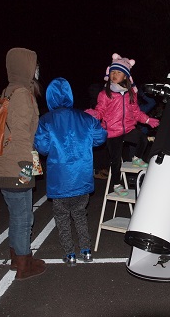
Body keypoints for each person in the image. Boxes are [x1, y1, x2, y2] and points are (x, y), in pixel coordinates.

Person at [34, 77, 107, 265]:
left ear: (50, 97)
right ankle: (86, 250)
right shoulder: (85, 118)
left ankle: (70, 254)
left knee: (62, 217)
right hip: (82, 178)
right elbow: (100, 137)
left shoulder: (46, 120)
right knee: (80, 214)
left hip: (60, 181)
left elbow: (42, 147)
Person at [0, 47, 46, 280]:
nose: (37, 70)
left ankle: (16, 258)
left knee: (17, 214)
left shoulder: (8, 91)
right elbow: (22, 135)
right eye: (35, 65)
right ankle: (24, 265)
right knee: (24, 217)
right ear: (26, 68)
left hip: (3, 164)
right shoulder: (23, 93)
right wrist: (28, 169)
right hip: (17, 165)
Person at [85, 53, 159, 197]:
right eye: (113, 71)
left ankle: (136, 158)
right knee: (115, 161)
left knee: (143, 139)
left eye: (118, 72)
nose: (115, 74)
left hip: (128, 129)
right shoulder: (105, 94)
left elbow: (136, 112)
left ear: (125, 76)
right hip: (112, 132)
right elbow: (100, 111)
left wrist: (148, 120)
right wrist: (93, 115)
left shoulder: (131, 93)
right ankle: (117, 185)